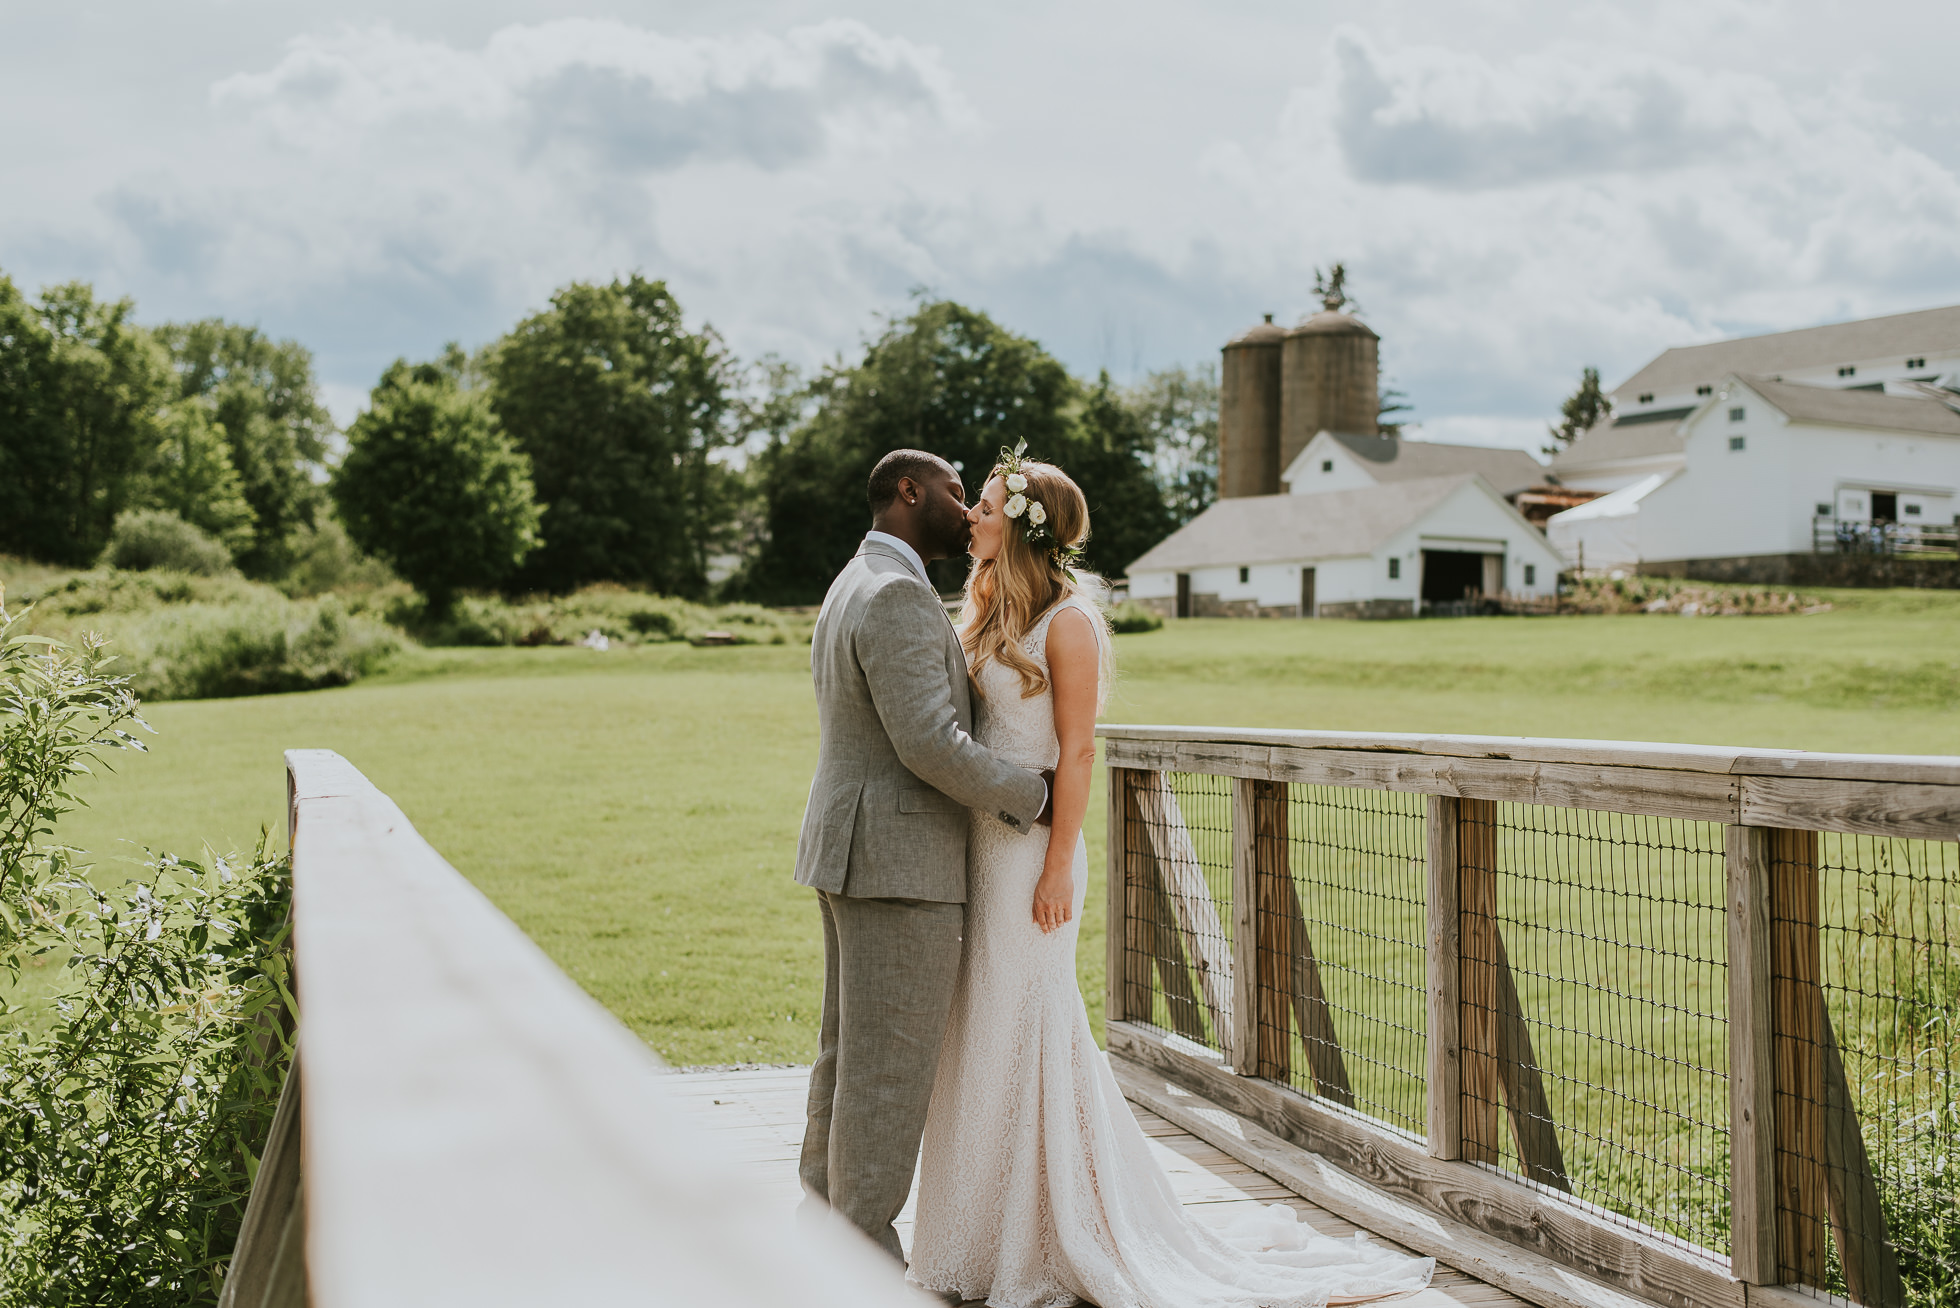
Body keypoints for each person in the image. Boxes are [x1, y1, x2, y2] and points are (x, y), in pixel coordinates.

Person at [907, 445, 1435, 1308]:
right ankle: (985, 1229)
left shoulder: (1066, 624)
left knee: (1027, 1025)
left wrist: (1055, 865)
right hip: (978, 846)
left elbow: (1078, 751)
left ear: (1028, 528)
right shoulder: (983, 610)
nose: (973, 518)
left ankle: (1055, 1233)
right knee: (983, 1030)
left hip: (1033, 854)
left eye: (991, 509)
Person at [794, 448, 1055, 1264]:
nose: (965, 506)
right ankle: (863, 1261)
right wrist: (1031, 795)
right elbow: (929, 744)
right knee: (887, 1071)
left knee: (847, 1054)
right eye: (952, 489)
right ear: (909, 492)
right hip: (898, 862)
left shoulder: (855, 578)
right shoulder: (901, 592)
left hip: (853, 850)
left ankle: (819, 1235)